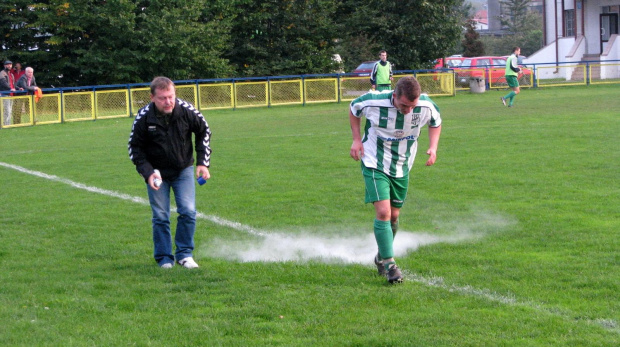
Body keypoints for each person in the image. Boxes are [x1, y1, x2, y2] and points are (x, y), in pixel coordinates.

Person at [349, 76, 442, 284]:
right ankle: (390, 265)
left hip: (402, 165)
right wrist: (356, 139)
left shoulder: (426, 105)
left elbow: (436, 122)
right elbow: (354, 108)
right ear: (394, 96)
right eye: (404, 105)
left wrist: (433, 147)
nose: (408, 110)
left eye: (412, 106)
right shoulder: (373, 100)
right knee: (383, 212)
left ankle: (381, 255)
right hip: (374, 161)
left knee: (394, 217)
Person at [128, 76, 212, 269]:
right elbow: (135, 148)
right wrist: (148, 173)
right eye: (163, 98)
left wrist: (202, 163)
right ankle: (165, 258)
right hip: (157, 174)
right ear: (152, 98)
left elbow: (204, 131)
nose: (168, 102)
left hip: (183, 169)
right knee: (160, 215)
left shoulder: (186, 111)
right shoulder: (143, 117)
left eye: (171, 96)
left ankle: (184, 254)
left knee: (188, 211)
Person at [0, 60, 16, 126]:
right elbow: (3, 83)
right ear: (4, 66)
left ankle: (7, 124)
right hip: (4, 94)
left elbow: (13, 84)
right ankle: (6, 125)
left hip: (11, 94)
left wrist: (17, 88)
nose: (9, 66)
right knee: (7, 110)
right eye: (7, 64)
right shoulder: (2, 73)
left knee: (10, 110)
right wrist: (10, 89)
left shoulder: (11, 74)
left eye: (10, 64)